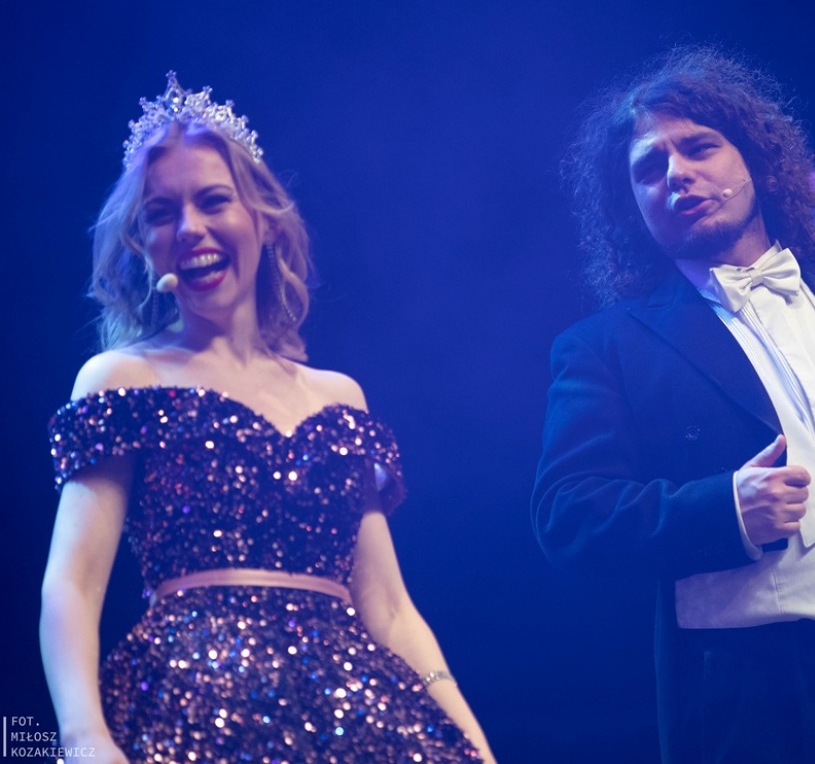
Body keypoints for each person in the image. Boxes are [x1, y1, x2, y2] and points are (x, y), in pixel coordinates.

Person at [531, 45, 815, 763]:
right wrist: (724, 510)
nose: (676, 173)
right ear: (631, 206)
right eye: (649, 168)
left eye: (699, 148)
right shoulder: (606, 346)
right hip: (753, 696)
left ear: (754, 158)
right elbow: (568, 514)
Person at [40, 73, 495, 764]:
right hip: (189, 713)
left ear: (264, 219)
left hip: (354, 719)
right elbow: (72, 583)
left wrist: (471, 740)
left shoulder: (338, 398)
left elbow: (391, 608)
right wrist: (83, 739)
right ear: (144, 243)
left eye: (212, 200)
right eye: (162, 212)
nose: (189, 228)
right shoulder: (123, 380)